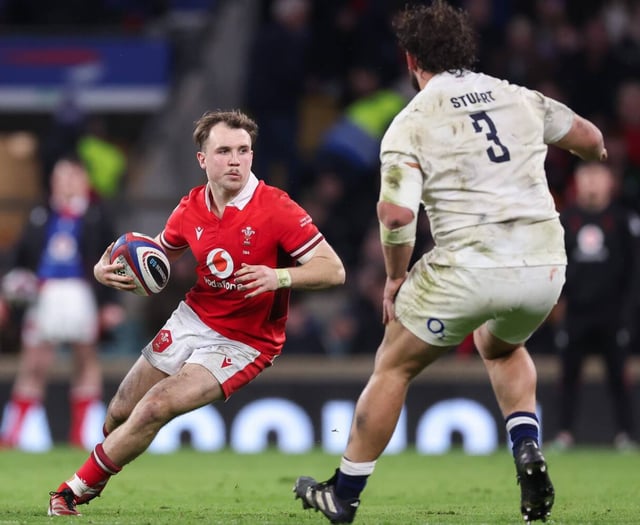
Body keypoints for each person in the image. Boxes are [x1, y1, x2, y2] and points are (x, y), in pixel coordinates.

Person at [293, 2, 608, 524]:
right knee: (499, 346)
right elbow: (591, 139)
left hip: (468, 265)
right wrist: (595, 160)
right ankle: (527, 449)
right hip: (544, 264)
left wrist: (395, 278)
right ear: (466, 50)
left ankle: (344, 495)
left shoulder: (412, 121)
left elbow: (395, 214)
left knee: (395, 364)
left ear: (410, 59)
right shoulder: (518, 96)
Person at [47, 109, 345, 516]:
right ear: (202, 159)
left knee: (155, 406)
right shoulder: (190, 207)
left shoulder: (277, 209)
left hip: (245, 341)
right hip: (194, 317)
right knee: (120, 410)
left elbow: (334, 269)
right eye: (224, 151)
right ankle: (104, 466)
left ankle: (70, 492)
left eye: (244, 150)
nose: (236, 160)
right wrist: (106, 269)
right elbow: (154, 256)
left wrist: (280, 278)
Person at [0, 155, 125, 450]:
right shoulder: (40, 214)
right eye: (60, 178)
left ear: (83, 181)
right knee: (34, 363)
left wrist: (110, 302)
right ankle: (13, 434)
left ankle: (82, 435)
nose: (65, 184)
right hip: (44, 294)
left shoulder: (96, 215)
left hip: (81, 293)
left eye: (70, 177)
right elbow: (18, 257)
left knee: (85, 360)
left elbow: (116, 260)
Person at [551, 162, 639, 451]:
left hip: (612, 312)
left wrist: (628, 312)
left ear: (608, 182)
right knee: (568, 376)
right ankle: (564, 433)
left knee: (618, 376)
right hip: (575, 312)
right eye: (585, 177)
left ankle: (625, 434)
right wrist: (557, 304)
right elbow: (555, 266)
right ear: (577, 182)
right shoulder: (565, 220)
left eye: (596, 177)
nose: (590, 183)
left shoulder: (623, 220)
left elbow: (633, 269)